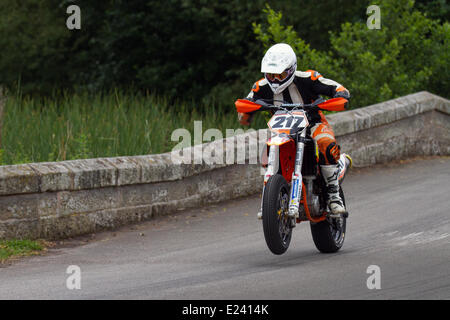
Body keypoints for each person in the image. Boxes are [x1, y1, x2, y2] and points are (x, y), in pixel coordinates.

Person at [238, 43, 350, 215]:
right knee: (266, 152)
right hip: (281, 129)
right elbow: (246, 105)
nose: (274, 79)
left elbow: (337, 88)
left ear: (291, 70)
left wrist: (340, 95)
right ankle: (269, 200)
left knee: (325, 142)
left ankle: (334, 195)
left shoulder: (308, 78)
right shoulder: (260, 86)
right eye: (271, 74)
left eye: (280, 74)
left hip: (313, 123)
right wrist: (246, 113)